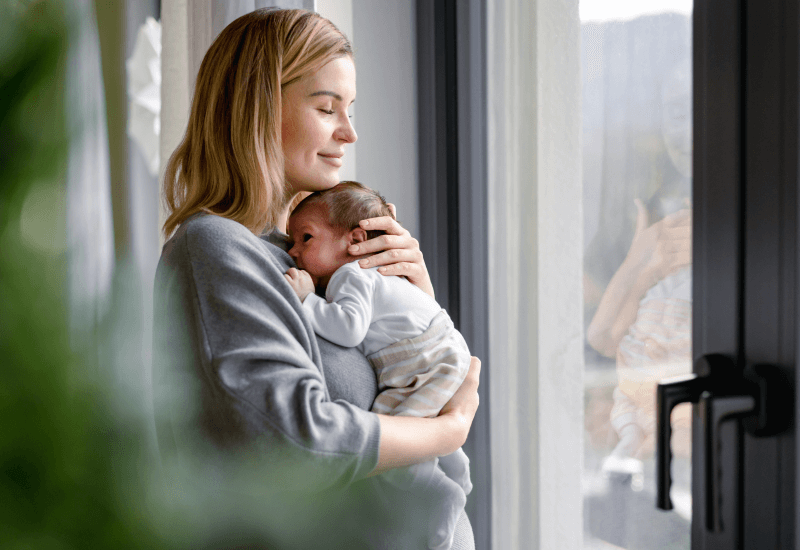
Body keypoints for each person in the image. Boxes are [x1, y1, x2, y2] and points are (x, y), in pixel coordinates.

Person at [152, 8, 480, 549]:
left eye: (350, 109)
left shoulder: (299, 258)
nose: (349, 132)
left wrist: (416, 311)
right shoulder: (216, 248)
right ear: (255, 110)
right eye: (327, 107)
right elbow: (299, 441)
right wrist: (448, 430)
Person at [283, 181, 472, 550]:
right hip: (436, 355)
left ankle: (441, 497)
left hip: (424, 363)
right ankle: (457, 474)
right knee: (427, 428)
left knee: (398, 450)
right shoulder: (369, 276)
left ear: (355, 239)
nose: (294, 252)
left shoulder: (351, 275)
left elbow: (348, 329)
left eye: (306, 238)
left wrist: (306, 299)